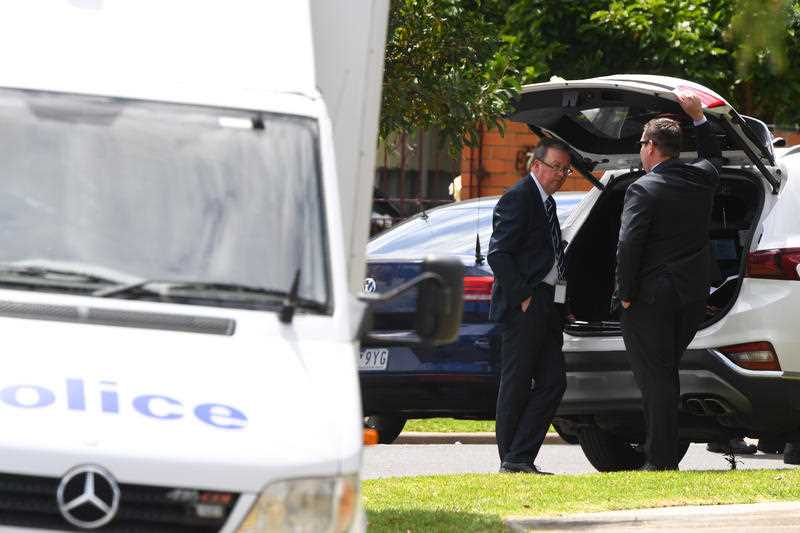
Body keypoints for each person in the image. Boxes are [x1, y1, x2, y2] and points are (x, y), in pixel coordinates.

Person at [615, 90, 722, 470]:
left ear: (652, 147)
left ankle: (660, 460)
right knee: (665, 374)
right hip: (690, 300)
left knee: (656, 380)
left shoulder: (643, 188)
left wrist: (624, 294)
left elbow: (629, 245)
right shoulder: (701, 181)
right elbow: (714, 158)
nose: (640, 150)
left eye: (641, 143)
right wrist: (699, 118)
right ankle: (662, 454)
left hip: (651, 301)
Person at [488, 138, 571, 474]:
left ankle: (519, 456)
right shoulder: (519, 198)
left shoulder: (547, 203)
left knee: (554, 381)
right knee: (517, 382)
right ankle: (512, 459)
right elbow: (498, 254)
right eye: (556, 167)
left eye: (566, 169)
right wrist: (523, 295)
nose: (562, 174)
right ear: (536, 165)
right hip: (525, 304)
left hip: (549, 304)